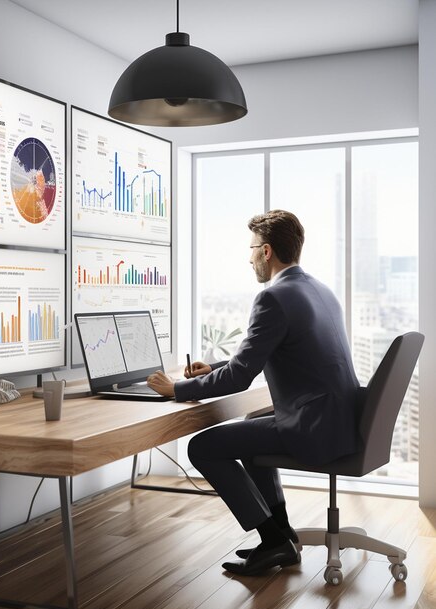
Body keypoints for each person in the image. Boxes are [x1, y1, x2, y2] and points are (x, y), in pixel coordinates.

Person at [147, 210, 360, 576]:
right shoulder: (317, 289)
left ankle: (274, 538)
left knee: (202, 447)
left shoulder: (273, 297)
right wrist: (212, 368)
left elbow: (240, 378)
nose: (248, 259)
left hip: (313, 428)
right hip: (340, 420)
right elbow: (259, 357)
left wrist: (177, 389)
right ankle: (281, 534)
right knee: (251, 424)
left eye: (250, 250)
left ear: (266, 251)